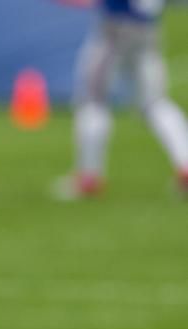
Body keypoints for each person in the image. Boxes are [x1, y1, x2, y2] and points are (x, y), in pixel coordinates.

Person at [61, 0, 188, 197]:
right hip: (147, 30)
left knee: (93, 100)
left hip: (116, 29)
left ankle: (88, 177)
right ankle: (185, 165)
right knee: (155, 103)